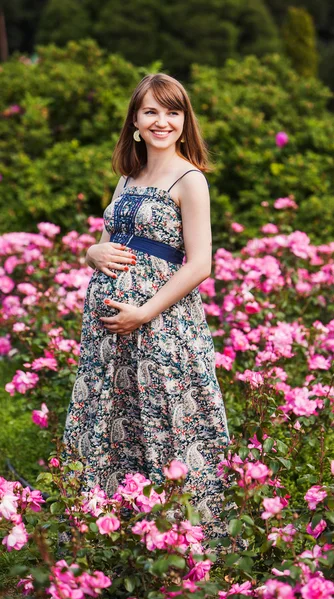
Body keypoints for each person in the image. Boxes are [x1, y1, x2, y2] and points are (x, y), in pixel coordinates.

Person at [61, 73, 231, 546]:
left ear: (184, 121)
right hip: (109, 333)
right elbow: (109, 241)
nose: (162, 121)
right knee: (116, 421)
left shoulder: (189, 179)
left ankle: (186, 540)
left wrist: (144, 312)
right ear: (135, 120)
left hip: (163, 326)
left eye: (172, 112)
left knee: (167, 421)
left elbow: (200, 264)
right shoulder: (128, 176)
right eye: (151, 111)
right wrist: (92, 253)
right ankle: (115, 538)